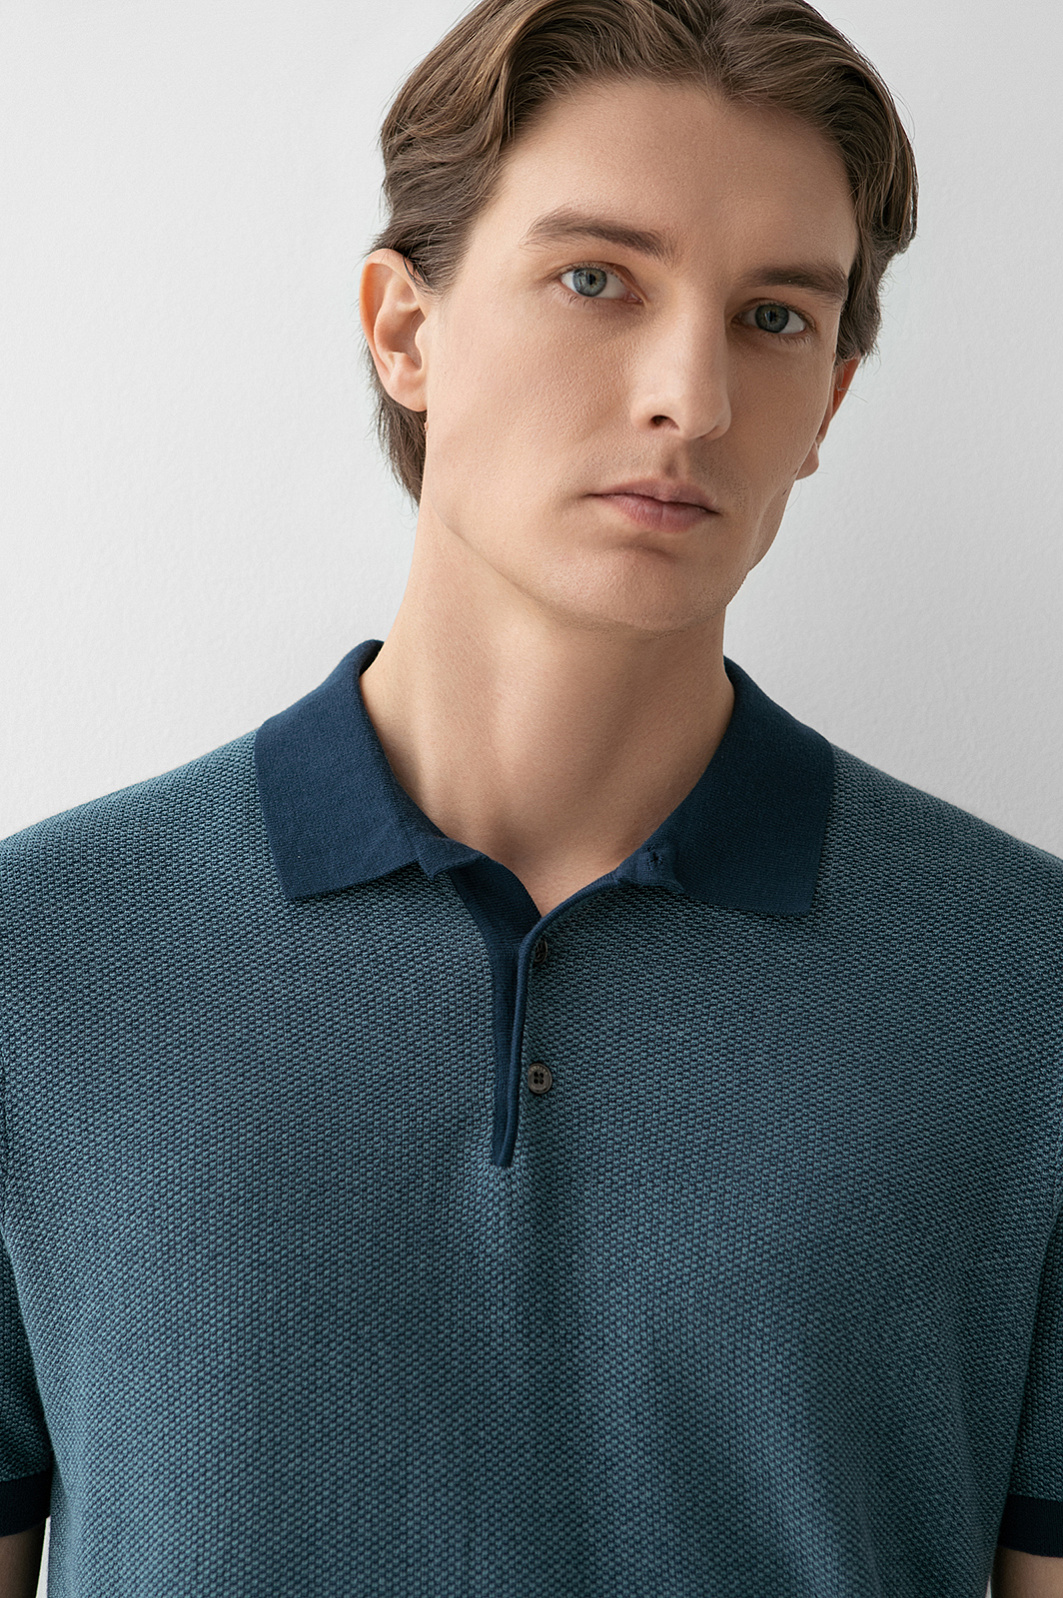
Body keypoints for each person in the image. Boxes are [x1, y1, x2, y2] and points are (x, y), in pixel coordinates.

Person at [1, 0, 1060, 1592]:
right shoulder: (35, 961)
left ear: (833, 400)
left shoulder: (1031, 990)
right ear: (403, 328)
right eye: (595, 279)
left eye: (775, 316)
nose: (693, 396)